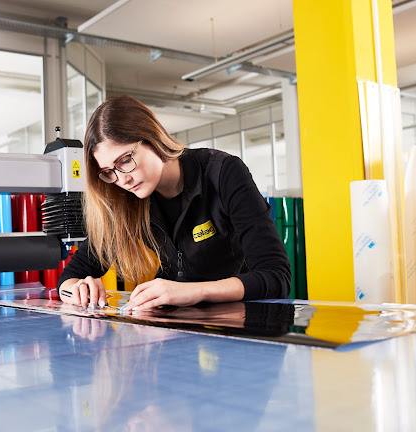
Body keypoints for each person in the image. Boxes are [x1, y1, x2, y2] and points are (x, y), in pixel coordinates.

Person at [58, 94, 290, 311]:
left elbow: (276, 276)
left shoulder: (223, 173)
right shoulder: (126, 200)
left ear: (152, 136)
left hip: (240, 325)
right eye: (109, 172)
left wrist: (193, 291)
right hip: (177, 329)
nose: (122, 179)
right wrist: (77, 290)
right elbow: (68, 278)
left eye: (126, 159)